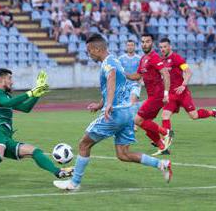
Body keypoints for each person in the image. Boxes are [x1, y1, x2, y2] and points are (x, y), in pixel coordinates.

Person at [53, 34, 172, 191]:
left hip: (115, 114)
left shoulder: (108, 64)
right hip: (127, 114)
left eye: (89, 51)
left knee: (84, 144)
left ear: (97, 48)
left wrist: (108, 104)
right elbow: (116, 87)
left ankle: (74, 183)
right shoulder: (115, 60)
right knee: (123, 154)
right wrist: (100, 104)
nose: (89, 54)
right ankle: (162, 164)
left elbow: (112, 78)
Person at [159, 38, 216, 134]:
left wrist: (183, 85)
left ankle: (213, 113)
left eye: (165, 47)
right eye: (161, 47)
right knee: (165, 115)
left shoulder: (177, 58)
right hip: (171, 95)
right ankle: (166, 138)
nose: (162, 49)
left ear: (170, 47)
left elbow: (188, 72)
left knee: (194, 116)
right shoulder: (161, 60)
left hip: (182, 93)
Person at [126, 34, 173, 156]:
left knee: (137, 119)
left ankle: (166, 132)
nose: (144, 44)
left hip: (157, 96)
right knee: (145, 123)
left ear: (152, 43)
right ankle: (162, 147)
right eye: (142, 42)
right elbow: (137, 76)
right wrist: (123, 74)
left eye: (147, 41)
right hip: (151, 95)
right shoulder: (143, 59)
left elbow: (166, 74)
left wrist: (166, 94)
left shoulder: (154, 57)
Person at [118, 40, 142, 131]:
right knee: (126, 105)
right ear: (126, 47)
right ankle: (129, 123)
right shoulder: (121, 58)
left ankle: (134, 124)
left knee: (132, 102)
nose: (130, 47)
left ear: (134, 47)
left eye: (132, 45)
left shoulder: (139, 59)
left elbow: (141, 72)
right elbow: (119, 72)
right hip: (124, 86)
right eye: (128, 45)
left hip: (135, 84)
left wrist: (141, 81)